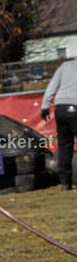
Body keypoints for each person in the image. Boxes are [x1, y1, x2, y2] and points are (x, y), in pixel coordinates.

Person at [41, 56, 77, 189]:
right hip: (75, 106)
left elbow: (52, 86)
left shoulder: (65, 65)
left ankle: (65, 183)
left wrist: (45, 106)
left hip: (60, 107)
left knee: (64, 145)